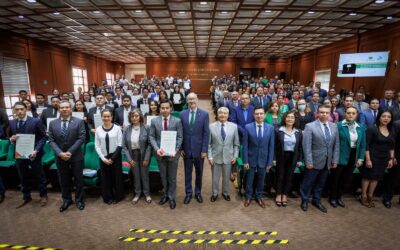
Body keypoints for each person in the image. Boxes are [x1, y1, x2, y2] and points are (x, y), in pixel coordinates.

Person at [300, 105, 340, 213]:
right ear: (317, 113)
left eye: (327, 112)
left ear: (330, 114)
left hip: (328, 161)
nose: (324, 114)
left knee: (321, 183)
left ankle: (316, 200)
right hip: (313, 161)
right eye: (322, 112)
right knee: (308, 182)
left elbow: (336, 145)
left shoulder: (334, 126)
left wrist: (335, 160)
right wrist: (308, 161)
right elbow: (306, 146)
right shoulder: (310, 126)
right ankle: (304, 200)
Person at [48, 101, 86, 212]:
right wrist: (60, 153)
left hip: (75, 156)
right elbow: (51, 140)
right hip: (60, 157)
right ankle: (66, 200)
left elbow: (81, 138)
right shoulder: (53, 123)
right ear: (59, 109)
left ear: (70, 109)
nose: (64, 109)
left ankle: (79, 200)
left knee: (78, 179)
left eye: (66, 107)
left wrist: (69, 152)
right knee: (63, 180)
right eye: (62, 107)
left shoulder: (79, 122)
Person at [9, 102, 47, 208]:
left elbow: (43, 137)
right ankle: (26, 196)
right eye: (17, 110)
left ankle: (43, 195)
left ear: (26, 109)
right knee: (22, 176)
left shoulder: (36, 121)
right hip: (19, 154)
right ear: (14, 111)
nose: (19, 111)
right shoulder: (12, 122)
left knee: (39, 175)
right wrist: (11, 139)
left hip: (34, 153)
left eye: (21, 109)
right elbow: (10, 137)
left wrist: (36, 150)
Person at [149, 99, 183, 209]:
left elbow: (180, 137)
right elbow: (151, 137)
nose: (165, 110)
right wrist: (156, 149)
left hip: (173, 154)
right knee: (163, 176)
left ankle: (171, 197)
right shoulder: (154, 121)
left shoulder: (177, 121)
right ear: (159, 109)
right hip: (160, 153)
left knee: (172, 177)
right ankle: (165, 194)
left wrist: (176, 149)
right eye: (162, 108)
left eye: (167, 108)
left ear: (171, 109)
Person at [330, 107, 366, 208]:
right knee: (336, 178)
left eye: (353, 113)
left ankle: (339, 197)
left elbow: (362, 144)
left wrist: (360, 158)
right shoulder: (338, 125)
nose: (351, 115)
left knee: (346, 179)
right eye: (349, 113)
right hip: (340, 155)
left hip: (353, 155)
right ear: (345, 113)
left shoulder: (361, 126)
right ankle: (332, 197)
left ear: (356, 115)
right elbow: (333, 143)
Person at [361, 110, 395, 208]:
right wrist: (368, 159)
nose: (386, 118)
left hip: (384, 158)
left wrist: (391, 158)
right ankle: (363, 196)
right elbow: (366, 145)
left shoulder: (391, 129)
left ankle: (370, 195)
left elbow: (392, 145)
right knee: (368, 177)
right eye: (384, 116)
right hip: (372, 157)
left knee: (377, 177)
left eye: (388, 117)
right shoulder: (372, 128)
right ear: (379, 117)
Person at [180, 93, 210, 204]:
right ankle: (188, 193)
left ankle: (198, 193)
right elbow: (181, 132)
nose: (192, 100)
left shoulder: (204, 114)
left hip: (199, 151)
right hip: (186, 150)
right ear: (187, 101)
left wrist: (204, 150)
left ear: (197, 100)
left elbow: (206, 133)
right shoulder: (182, 114)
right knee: (187, 173)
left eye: (193, 98)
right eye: (189, 99)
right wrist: (181, 148)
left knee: (199, 173)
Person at [242, 107, 275, 208]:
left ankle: (259, 196)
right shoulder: (248, 127)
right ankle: (248, 196)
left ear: (264, 115)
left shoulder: (270, 128)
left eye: (261, 114)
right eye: (257, 114)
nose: (259, 116)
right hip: (251, 158)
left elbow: (271, 146)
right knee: (249, 179)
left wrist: (269, 162)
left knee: (261, 178)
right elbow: (245, 146)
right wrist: (245, 160)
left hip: (264, 159)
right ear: (254, 115)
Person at [208, 107, 239, 202]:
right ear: (217, 114)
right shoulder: (211, 126)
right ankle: (214, 193)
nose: (223, 115)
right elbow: (208, 144)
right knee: (215, 177)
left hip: (228, 157)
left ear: (228, 115)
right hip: (215, 156)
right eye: (220, 113)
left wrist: (235, 156)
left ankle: (225, 193)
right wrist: (210, 156)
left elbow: (236, 144)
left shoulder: (234, 126)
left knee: (226, 177)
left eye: (225, 113)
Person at [122, 109, 152, 204]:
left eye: (136, 116)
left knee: (144, 175)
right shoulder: (126, 129)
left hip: (143, 154)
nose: (134, 118)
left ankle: (147, 194)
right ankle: (137, 193)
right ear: (130, 118)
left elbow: (149, 144)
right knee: (136, 176)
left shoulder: (147, 127)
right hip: (132, 155)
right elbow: (124, 146)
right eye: (132, 116)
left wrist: (147, 158)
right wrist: (129, 159)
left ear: (140, 117)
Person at [95, 109, 124, 205]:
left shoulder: (117, 128)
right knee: (105, 178)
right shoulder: (98, 129)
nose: (106, 118)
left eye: (108, 116)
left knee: (117, 177)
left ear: (112, 117)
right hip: (103, 157)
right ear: (102, 117)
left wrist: (112, 158)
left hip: (115, 156)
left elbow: (120, 144)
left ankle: (118, 196)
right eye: (104, 116)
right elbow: (97, 145)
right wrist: (103, 158)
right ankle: (108, 197)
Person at [275, 110, 303, 207]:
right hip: (281, 156)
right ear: (284, 118)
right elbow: (274, 146)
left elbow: (300, 148)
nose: (290, 119)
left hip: (293, 157)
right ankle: (278, 194)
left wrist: (300, 159)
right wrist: (274, 158)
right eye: (288, 117)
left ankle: (285, 195)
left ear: (295, 120)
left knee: (289, 176)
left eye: (292, 117)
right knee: (280, 176)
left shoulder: (299, 132)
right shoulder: (278, 130)